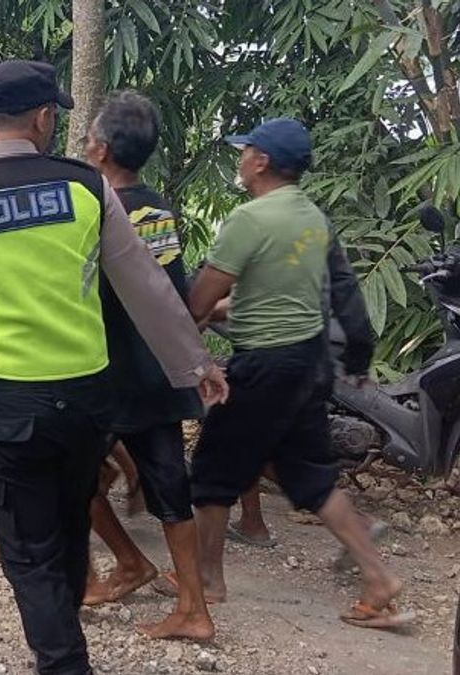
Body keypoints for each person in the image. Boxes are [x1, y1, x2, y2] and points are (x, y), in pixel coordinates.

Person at [0, 60, 228, 674]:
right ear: (44, 117)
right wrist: (195, 363)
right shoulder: (83, 188)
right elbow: (147, 287)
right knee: (71, 523)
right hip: (89, 404)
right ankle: (65, 636)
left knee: (26, 550)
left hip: (11, 407)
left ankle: (64, 662)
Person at [186, 118, 410, 629]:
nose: (240, 159)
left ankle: (207, 583)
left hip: (265, 363)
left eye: (245, 152)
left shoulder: (250, 219)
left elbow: (199, 301)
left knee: (213, 473)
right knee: (309, 475)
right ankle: (379, 580)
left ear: (261, 161)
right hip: (311, 363)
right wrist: (357, 358)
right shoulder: (313, 217)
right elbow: (346, 291)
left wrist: (190, 331)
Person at [78, 91, 214, 640]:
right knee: (170, 492)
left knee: (76, 479)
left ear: (102, 149)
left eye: (89, 135)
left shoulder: (87, 210)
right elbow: (168, 294)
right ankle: (194, 607)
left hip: (101, 371)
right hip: (154, 373)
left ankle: (128, 563)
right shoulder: (157, 210)